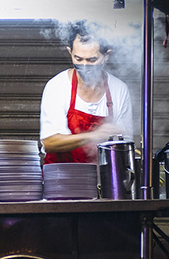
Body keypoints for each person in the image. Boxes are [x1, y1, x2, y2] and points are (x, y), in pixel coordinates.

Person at [40, 28, 133, 164]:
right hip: (60, 179)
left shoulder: (119, 89)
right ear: (70, 52)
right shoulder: (57, 86)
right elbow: (50, 142)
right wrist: (94, 136)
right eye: (78, 58)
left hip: (101, 180)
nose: (84, 66)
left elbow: (125, 145)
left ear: (106, 56)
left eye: (91, 60)